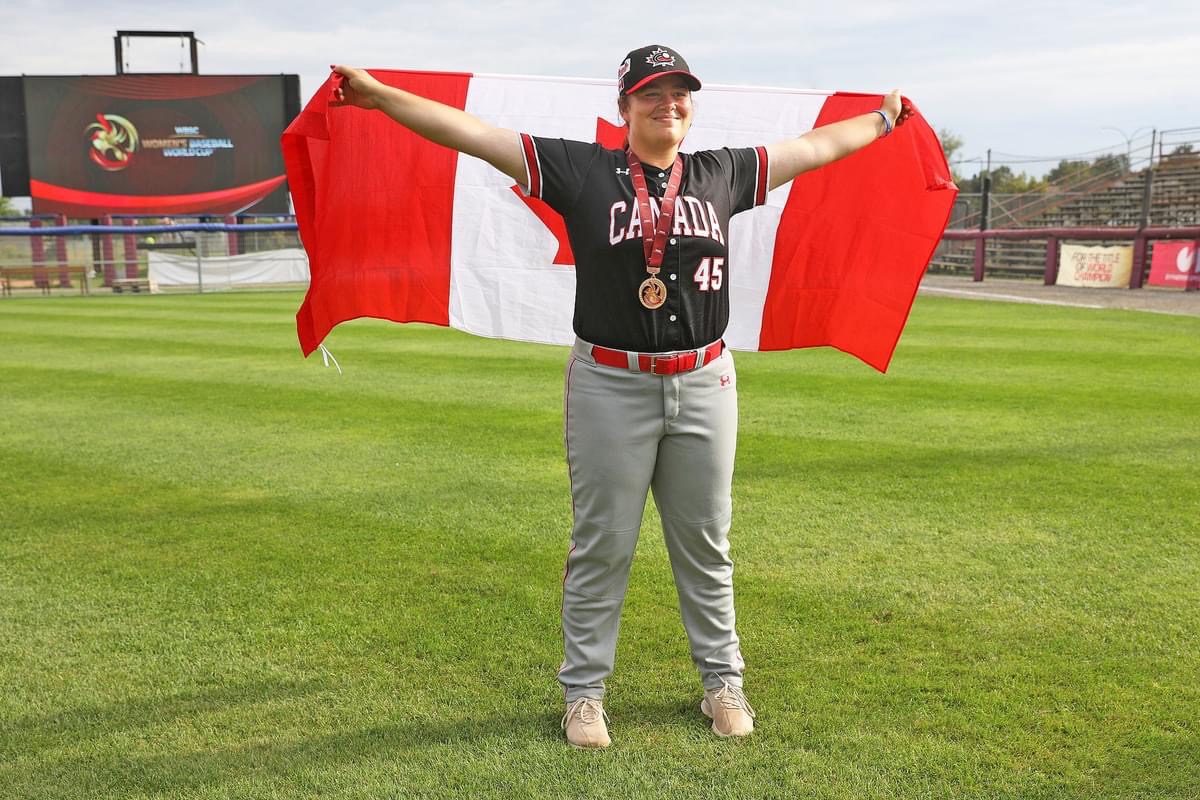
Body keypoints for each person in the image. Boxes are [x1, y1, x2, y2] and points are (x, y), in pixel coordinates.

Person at [331, 44, 909, 749]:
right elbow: (475, 135)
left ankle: (722, 684)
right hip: (611, 382)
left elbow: (815, 147)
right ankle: (583, 695)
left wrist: (882, 119)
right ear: (624, 105)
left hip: (704, 379)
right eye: (651, 93)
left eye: (680, 92)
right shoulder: (583, 170)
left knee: (705, 544)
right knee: (603, 544)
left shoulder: (722, 173)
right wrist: (381, 96)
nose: (668, 103)